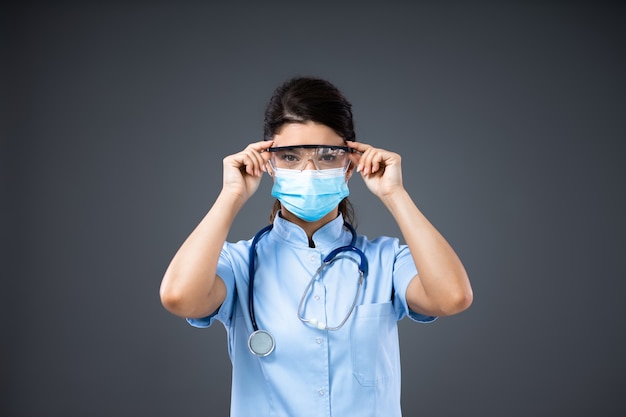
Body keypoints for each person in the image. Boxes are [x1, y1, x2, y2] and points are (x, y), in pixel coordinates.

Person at [160, 76, 473, 417]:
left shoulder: (385, 261)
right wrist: (231, 195)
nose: (309, 170)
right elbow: (180, 297)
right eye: (291, 157)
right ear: (269, 164)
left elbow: (452, 297)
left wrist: (394, 195)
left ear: (350, 164)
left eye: (326, 156)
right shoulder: (240, 264)